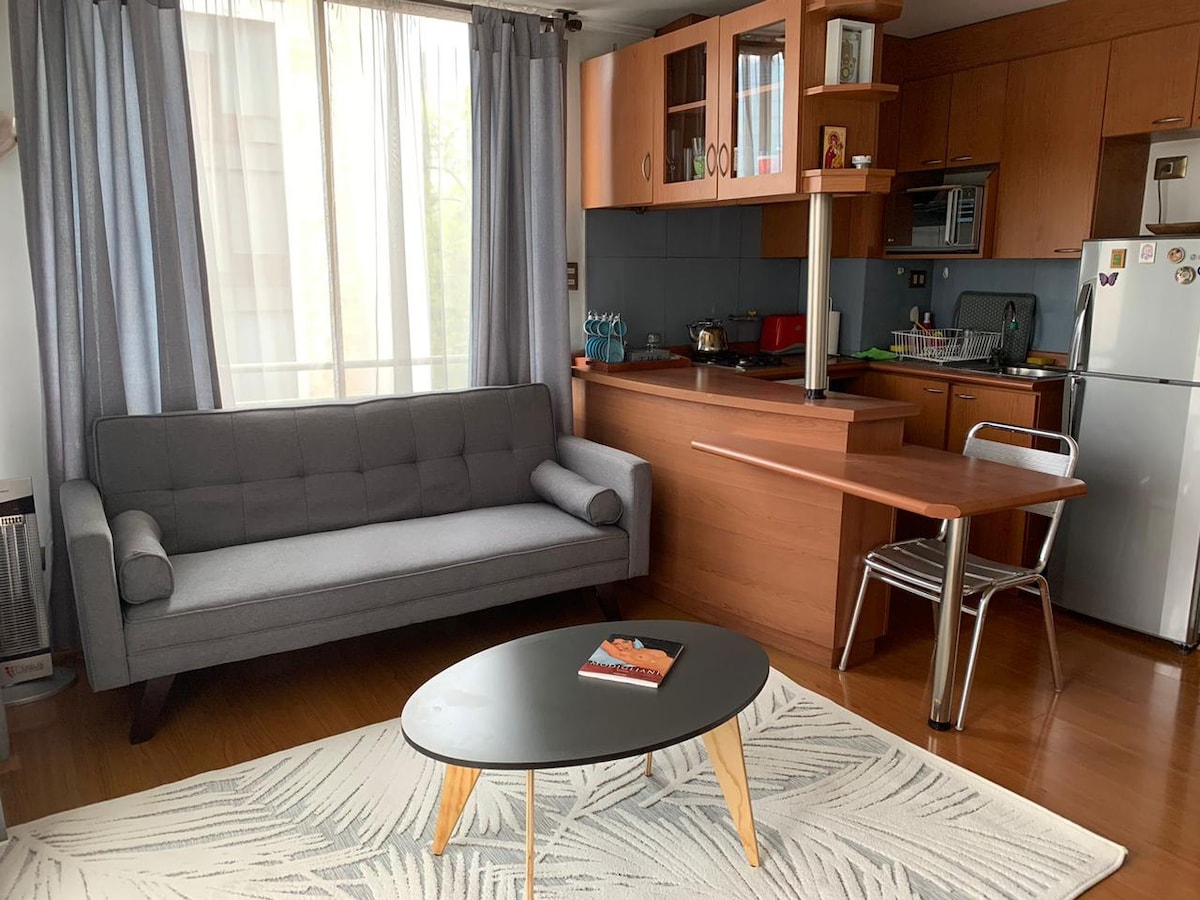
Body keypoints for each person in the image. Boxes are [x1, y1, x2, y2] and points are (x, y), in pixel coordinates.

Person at [599, 637, 673, 676]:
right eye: (616, 644)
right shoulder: (624, 655)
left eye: (625, 642)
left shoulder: (643, 649)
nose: (623, 645)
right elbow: (606, 645)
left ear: (631, 642)